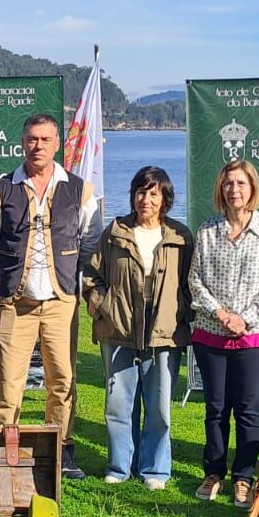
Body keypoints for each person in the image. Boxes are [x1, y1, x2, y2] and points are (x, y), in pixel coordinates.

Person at [0, 113, 100, 479]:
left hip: (60, 301)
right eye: (32, 139)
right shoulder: (0, 189)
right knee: (8, 382)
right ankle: (8, 448)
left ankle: (62, 449)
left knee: (62, 379)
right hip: (13, 302)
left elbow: (91, 241)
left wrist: (68, 275)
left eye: (45, 139)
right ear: (23, 142)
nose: (38, 146)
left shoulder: (79, 189)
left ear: (57, 144)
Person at [81, 165, 192, 490]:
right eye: (141, 192)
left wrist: (180, 311)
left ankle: (155, 470)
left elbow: (189, 284)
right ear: (133, 196)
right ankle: (119, 466)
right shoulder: (114, 233)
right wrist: (102, 307)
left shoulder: (179, 237)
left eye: (154, 193)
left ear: (165, 197)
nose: (146, 199)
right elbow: (91, 276)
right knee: (118, 405)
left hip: (163, 334)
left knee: (158, 408)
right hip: (118, 331)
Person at [187, 159, 259, 508]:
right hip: (212, 333)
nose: (234, 190)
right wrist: (221, 314)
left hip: (255, 335)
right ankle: (213, 472)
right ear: (220, 189)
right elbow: (195, 280)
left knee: (248, 409)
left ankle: (243, 476)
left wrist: (245, 318)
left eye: (241, 183)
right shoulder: (207, 231)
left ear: (253, 188)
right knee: (216, 408)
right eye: (228, 183)